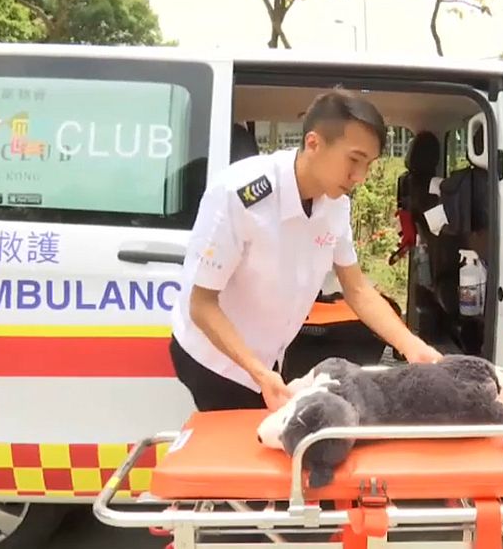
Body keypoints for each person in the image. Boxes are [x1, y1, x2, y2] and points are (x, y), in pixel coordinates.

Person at [169, 89, 443, 413]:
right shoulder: (239, 195)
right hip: (216, 359)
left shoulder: (335, 205)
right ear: (313, 143)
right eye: (354, 160)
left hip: (267, 358)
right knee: (246, 452)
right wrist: (258, 373)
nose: (360, 177)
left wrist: (411, 345)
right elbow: (201, 305)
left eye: (368, 164)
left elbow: (356, 289)